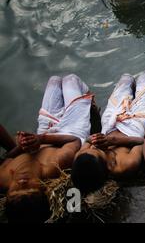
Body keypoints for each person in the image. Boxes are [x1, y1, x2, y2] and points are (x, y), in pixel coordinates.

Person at [0, 74, 94, 222]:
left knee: (54, 80)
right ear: (44, 188)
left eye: (16, 191)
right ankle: (87, 101)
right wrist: (41, 139)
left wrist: (23, 145)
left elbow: (8, 157)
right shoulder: (54, 165)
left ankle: (81, 103)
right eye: (29, 189)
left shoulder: (3, 178)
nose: (22, 183)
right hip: (71, 131)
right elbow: (74, 141)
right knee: (70, 79)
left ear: (7, 194)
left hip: (45, 130)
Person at [71, 73, 145, 194]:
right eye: (97, 150)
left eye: (90, 148)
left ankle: (130, 84)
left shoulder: (81, 159)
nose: (94, 146)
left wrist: (95, 138)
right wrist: (113, 141)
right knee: (144, 78)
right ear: (105, 166)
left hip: (110, 122)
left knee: (126, 78)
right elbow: (142, 142)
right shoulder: (125, 165)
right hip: (136, 124)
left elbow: (88, 140)